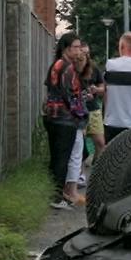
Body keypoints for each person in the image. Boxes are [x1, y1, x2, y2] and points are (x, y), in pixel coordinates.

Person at [42, 34, 93, 209]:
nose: (79, 50)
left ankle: (54, 193)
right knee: (62, 158)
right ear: (67, 48)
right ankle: (57, 197)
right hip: (64, 119)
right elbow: (71, 98)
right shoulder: (67, 68)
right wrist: (81, 115)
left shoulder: (56, 65)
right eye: (77, 46)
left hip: (53, 116)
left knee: (57, 157)